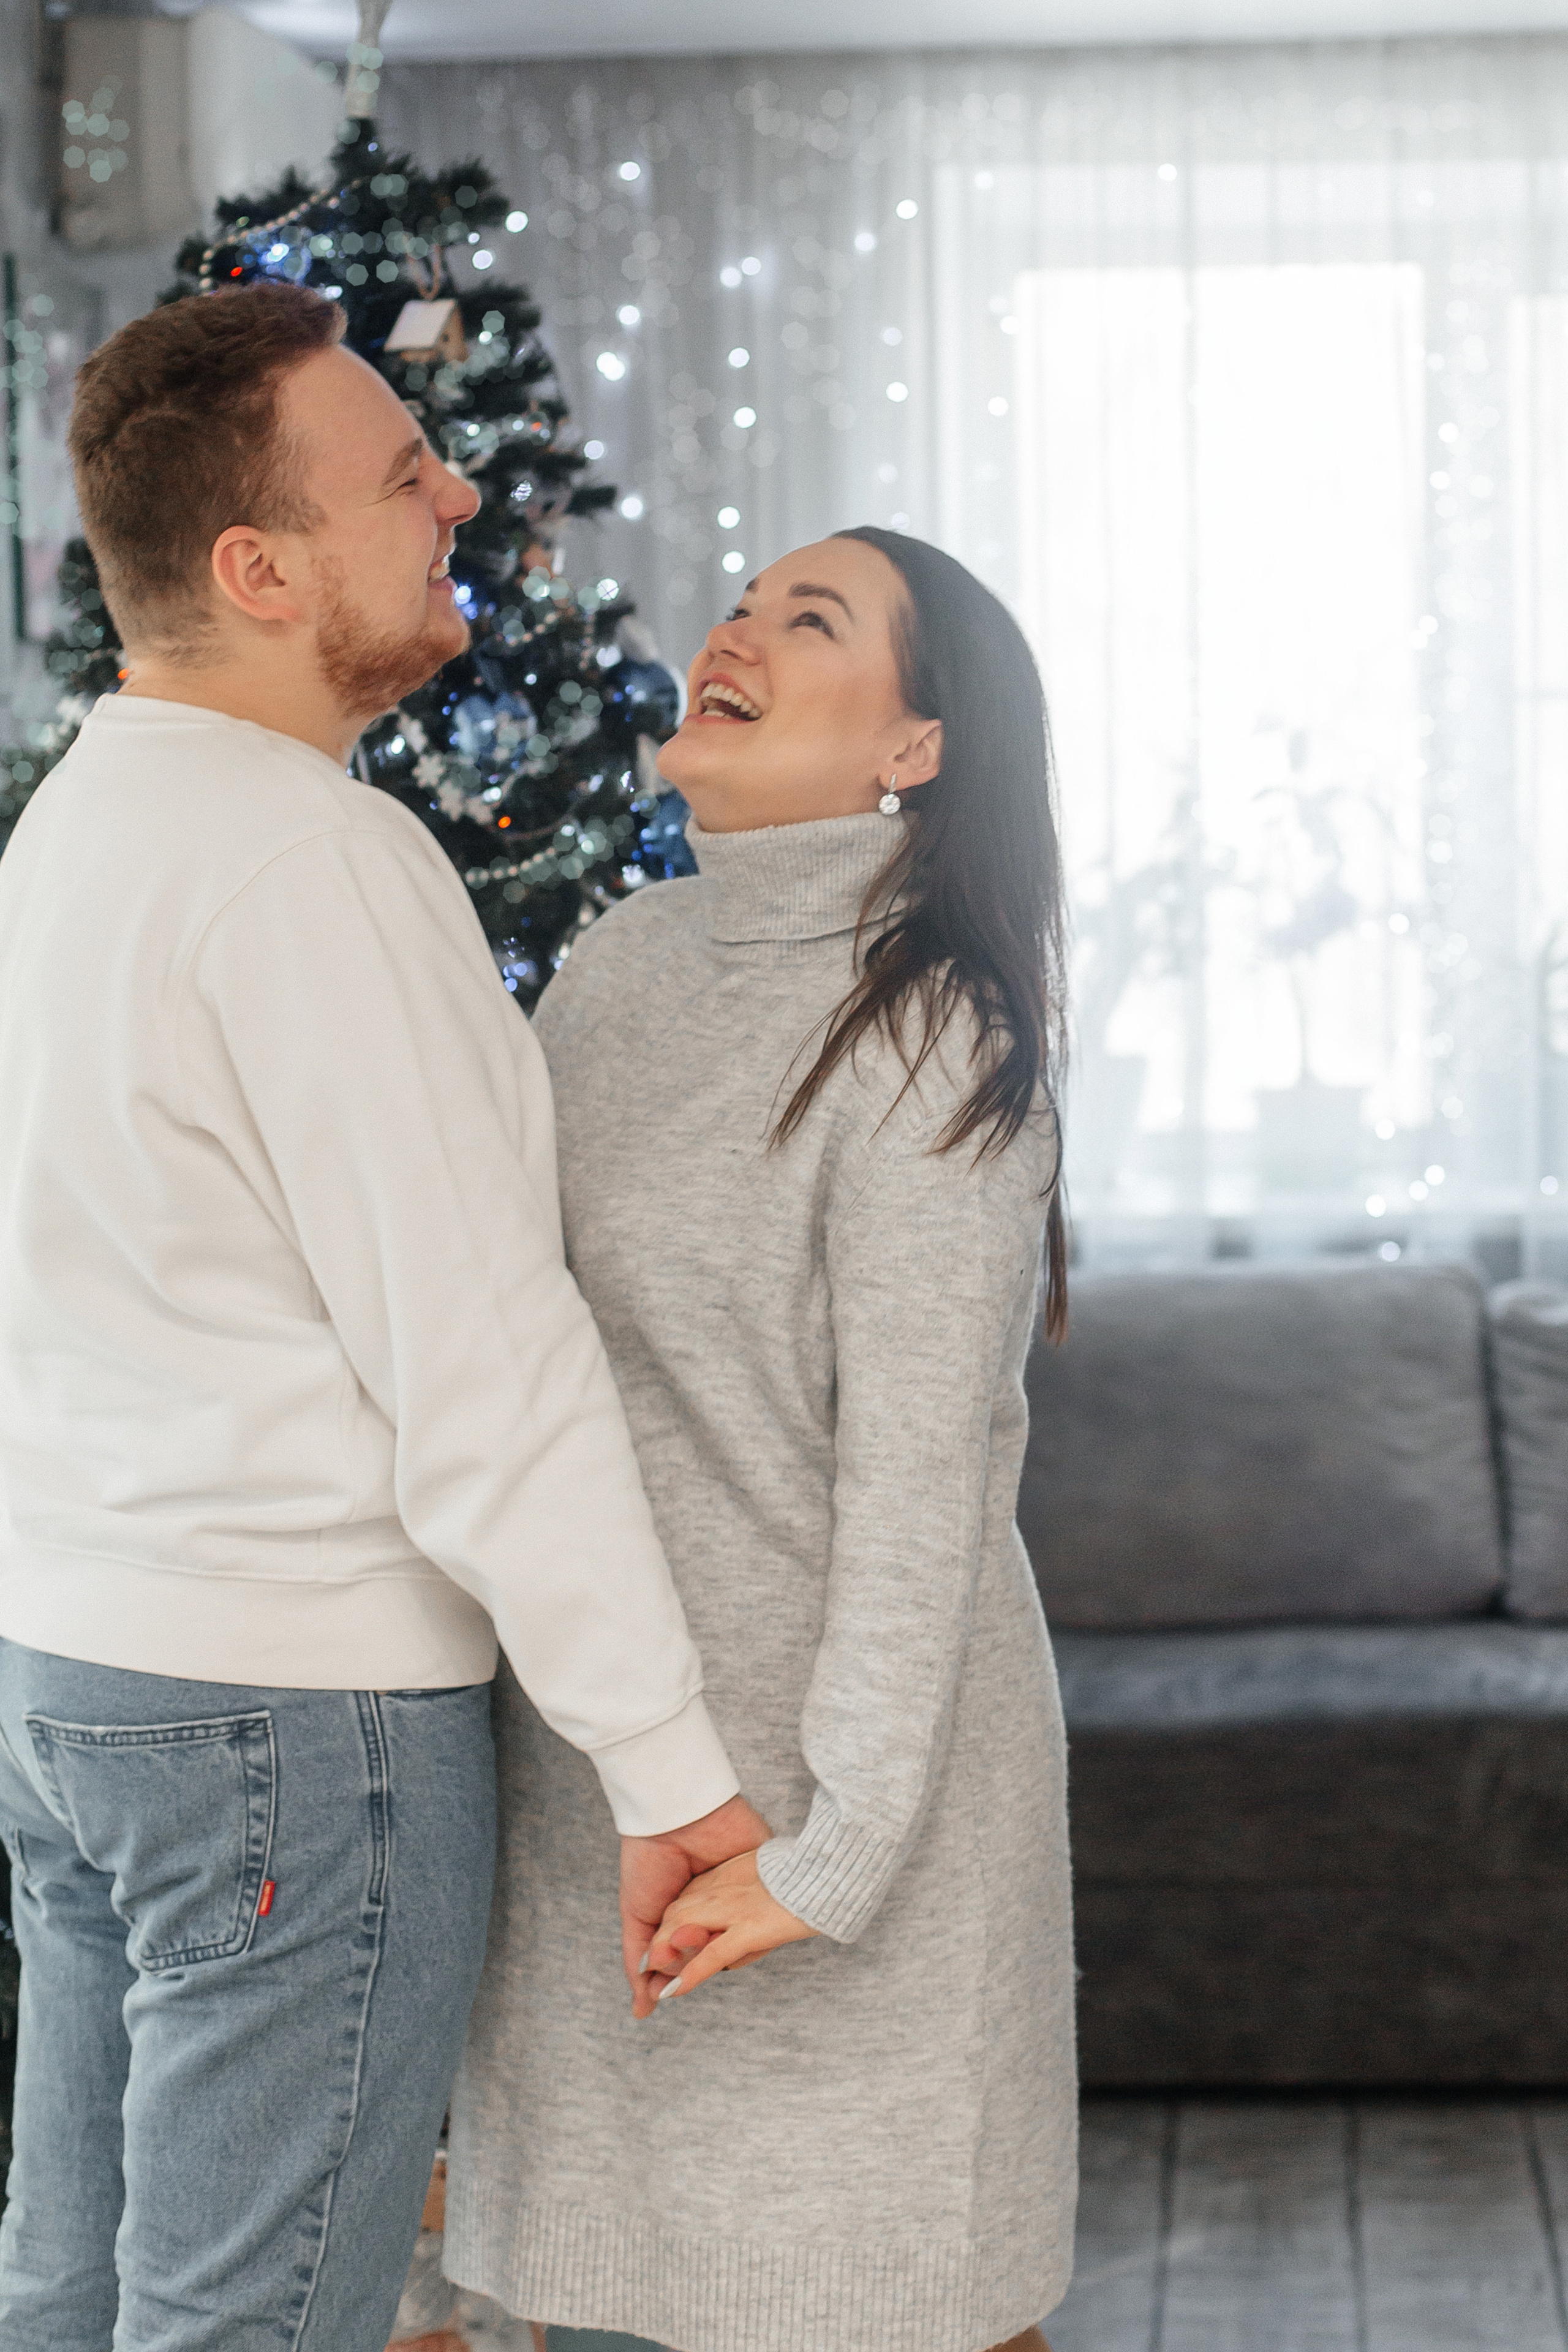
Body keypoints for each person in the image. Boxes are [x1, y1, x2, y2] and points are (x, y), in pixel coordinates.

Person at [0, 281, 767, 2352]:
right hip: (292, 1723)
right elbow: (487, 1372)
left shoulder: (77, 829)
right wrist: (673, 1771)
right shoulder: (312, 865)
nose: (459, 491)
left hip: (80, 1679)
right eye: (400, 474)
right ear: (256, 570)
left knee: (73, 2293)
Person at [444, 529, 1077, 2352]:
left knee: (875, 2299)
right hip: (615, 1771)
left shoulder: (931, 1034)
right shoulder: (626, 964)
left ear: (915, 749)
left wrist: (839, 1846)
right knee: (586, 2283)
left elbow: (919, 1492)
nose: (735, 632)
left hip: (841, 1791)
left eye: (812, 624)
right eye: (744, 602)